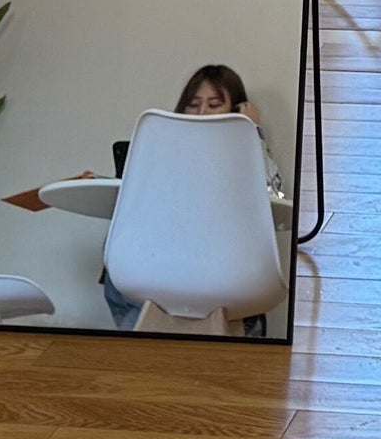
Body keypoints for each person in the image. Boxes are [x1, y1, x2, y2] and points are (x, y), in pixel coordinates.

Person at [96, 64, 287, 332]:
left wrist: (251, 132)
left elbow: (271, 197)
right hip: (158, 265)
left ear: (234, 110)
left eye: (214, 104)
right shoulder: (160, 148)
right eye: (193, 104)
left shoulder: (245, 156)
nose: (202, 113)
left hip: (226, 272)